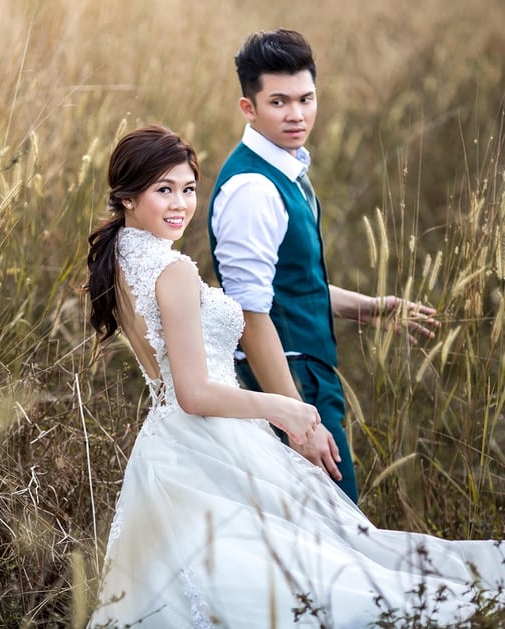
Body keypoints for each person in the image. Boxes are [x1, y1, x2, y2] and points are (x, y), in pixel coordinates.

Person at [86, 125, 504, 627]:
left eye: (188, 188)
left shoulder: (126, 259)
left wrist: (366, 307)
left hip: (167, 449)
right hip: (210, 443)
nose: (180, 204)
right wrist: (285, 407)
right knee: (304, 584)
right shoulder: (170, 271)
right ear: (129, 197)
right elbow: (194, 394)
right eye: (164, 190)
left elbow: (255, 298)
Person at [207, 29, 438, 504]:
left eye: (306, 98)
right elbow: (250, 316)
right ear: (248, 108)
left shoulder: (285, 168)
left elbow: (288, 287)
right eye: (279, 102)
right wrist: (295, 417)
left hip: (307, 376)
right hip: (290, 382)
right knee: (334, 528)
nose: (297, 114)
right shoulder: (254, 188)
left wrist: (368, 308)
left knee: (326, 532)